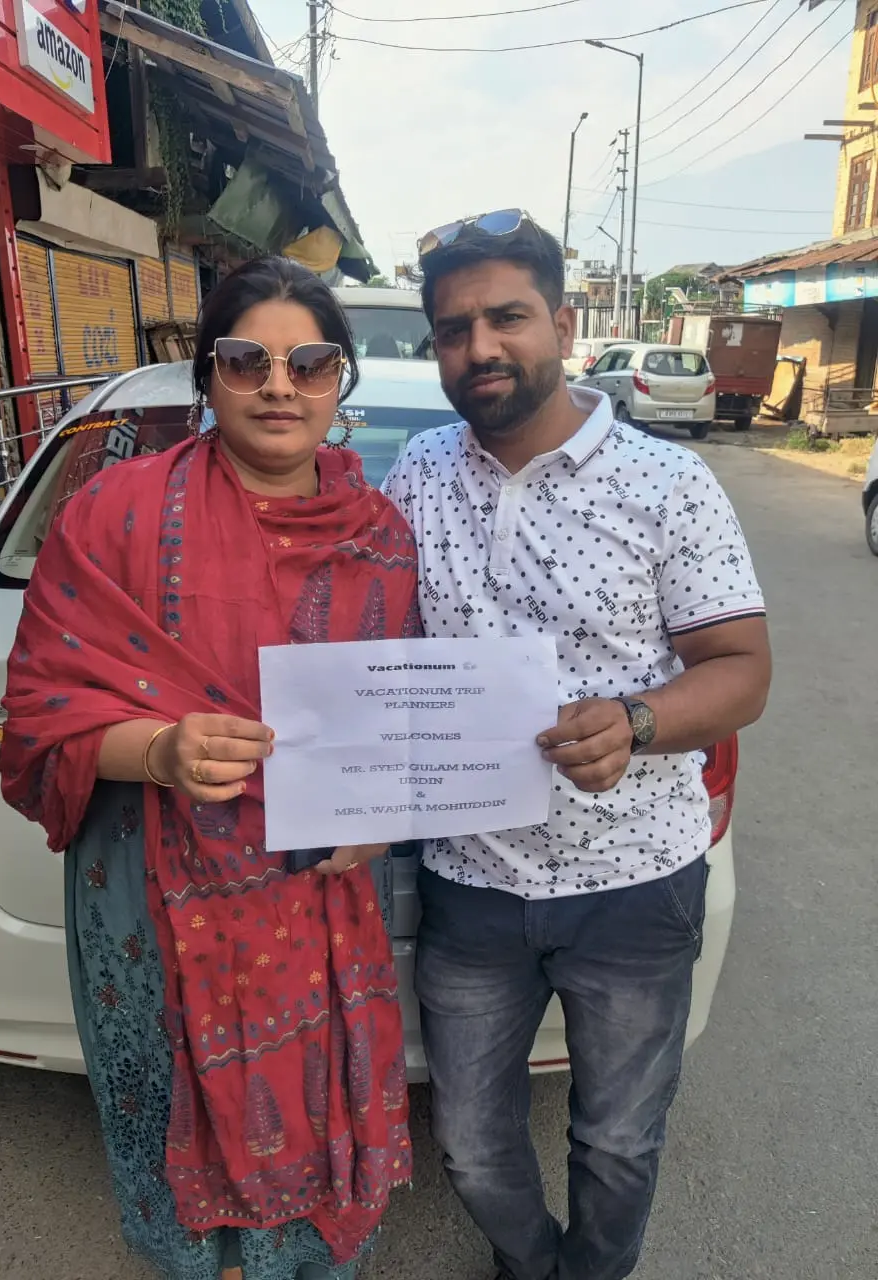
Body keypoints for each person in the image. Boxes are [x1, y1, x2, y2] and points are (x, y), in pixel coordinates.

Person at [0, 257, 418, 1280]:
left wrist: (381, 812)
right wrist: (161, 749)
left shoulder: (384, 540)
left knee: (310, 1133)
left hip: (314, 897)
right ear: (208, 374)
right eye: (247, 359)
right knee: (176, 1126)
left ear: (339, 381)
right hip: (151, 891)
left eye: (311, 361)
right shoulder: (115, 514)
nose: (281, 384)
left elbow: (403, 729)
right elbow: (39, 718)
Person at [383, 211, 772, 1280]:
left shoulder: (667, 483)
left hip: (637, 884)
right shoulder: (415, 473)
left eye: (506, 317)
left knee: (617, 1138)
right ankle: (531, 1261)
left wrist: (639, 722)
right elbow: (357, 637)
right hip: (471, 881)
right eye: (453, 329)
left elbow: (742, 667)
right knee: (467, 1140)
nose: (480, 348)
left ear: (562, 321)